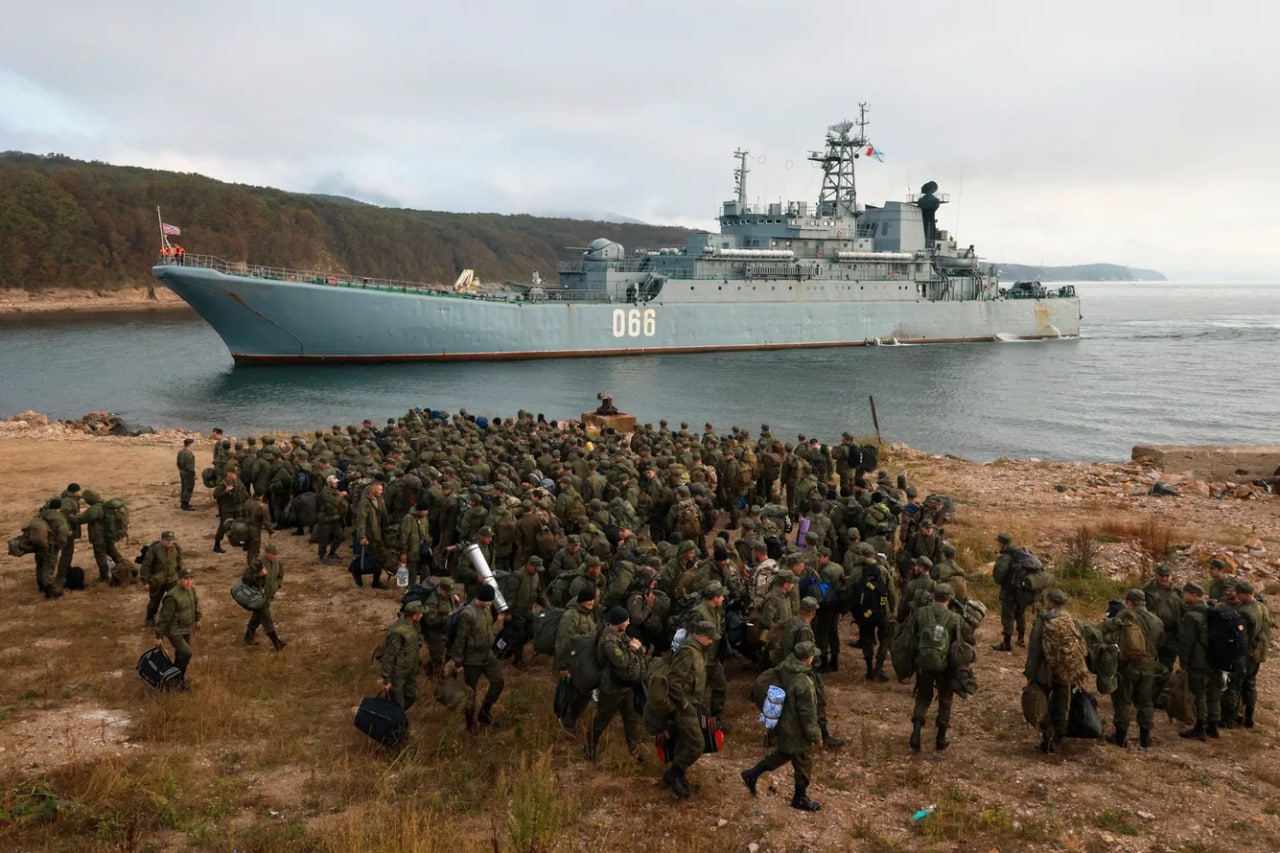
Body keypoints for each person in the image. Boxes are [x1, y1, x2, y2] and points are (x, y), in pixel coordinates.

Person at [740, 641, 823, 812]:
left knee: (784, 754)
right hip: (796, 728)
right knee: (803, 762)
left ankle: (751, 774)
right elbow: (807, 714)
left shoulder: (785, 667)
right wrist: (815, 736)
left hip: (782, 722)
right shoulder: (803, 682)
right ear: (808, 658)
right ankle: (799, 798)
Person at [902, 583, 967, 752]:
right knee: (945, 699)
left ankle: (915, 733)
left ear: (933, 595)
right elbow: (963, 642)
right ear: (950, 598)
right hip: (945, 666)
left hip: (923, 662)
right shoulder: (955, 618)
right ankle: (940, 738)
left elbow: (909, 635)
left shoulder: (921, 612)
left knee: (923, 697)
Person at [1024, 588, 1084, 754]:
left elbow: (1034, 650)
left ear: (1050, 602)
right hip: (1067, 669)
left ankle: (1047, 737)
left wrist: (1030, 674)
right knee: (1062, 703)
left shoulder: (1042, 621)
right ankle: (1058, 738)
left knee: (1041, 702)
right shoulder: (1072, 620)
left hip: (1046, 670)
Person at [1103, 587, 1162, 748]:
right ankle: (1145, 738)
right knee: (1145, 702)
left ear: (1129, 602)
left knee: (1122, 700)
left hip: (1127, 665)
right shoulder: (1156, 620)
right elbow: (1160, 642)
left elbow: (1108, 631)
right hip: (1148, 666)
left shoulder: (1125, 615)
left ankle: (1120, 736)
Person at [663, 619, 715, 798]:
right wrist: (684, 703)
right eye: (709, 638)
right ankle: (674, 773)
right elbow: (674, 681)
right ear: (699, 636)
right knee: (696, 744)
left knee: (684, 741)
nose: (712, 641)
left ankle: (676, 776)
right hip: (683, 706)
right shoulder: (688, 652)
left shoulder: (699, 651)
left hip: (693, 703)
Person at [588, 607, 646, 762]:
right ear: (618, 622)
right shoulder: (609, 641)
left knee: (631, 719)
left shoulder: (620, 635)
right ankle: (589, 749)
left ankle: (634, 752)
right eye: (626, 620)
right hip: (612, 688)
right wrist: (633, 649)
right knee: (602, 720)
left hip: (625, 685)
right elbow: (621, 662)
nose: (628, 622)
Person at [447, 585, 505, 734]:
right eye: (489, 601)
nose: (491, 604)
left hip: (487, 655)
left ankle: (485, 712)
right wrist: (458, 661)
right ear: (483, 599)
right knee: (470, 692)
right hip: (472, 659)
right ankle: (469, 722)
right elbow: (460, 639)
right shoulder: (468, 614)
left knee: (498, 682)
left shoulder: (486, 609)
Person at [1223, 579, 1270, 729]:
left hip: (1245, 654)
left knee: (1235, 685)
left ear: (1243, 594)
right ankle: (1249, 717)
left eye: (1238, 594)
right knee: (1250, 684)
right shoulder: (1262, 607)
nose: (1236, 596)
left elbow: (1242, 637)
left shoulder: (1245, 612)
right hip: (1257, 653)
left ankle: (1229, 719)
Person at [1177, 582, 1219, 741]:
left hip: (1198, 661)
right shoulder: (1211, 611)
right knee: (1211, 693)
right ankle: (1213, 726)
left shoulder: (1191, 616)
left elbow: (1186, 643)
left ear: (1193, 595)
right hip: (1212, 659)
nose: (1183, 596)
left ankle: (1200, 729)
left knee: (1199, 694)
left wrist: (1184, 665)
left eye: (1185, 593)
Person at [555, 588, 599, 731]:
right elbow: (563, 641)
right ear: (581, 601)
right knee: (571, 693)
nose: (591, 602)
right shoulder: (571, 616)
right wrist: (562, 666)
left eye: (592, 600)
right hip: (572, 662)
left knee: (583, 693)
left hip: (583, 664)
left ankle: (571, 719)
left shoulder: (588, 616)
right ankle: (566, 721)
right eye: (588, 600)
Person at [154, 568, 200, 689]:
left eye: (191, 579)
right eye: (185, 579)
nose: (189, 582)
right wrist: (159, 635)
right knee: (186, 652)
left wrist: (197, 619)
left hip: (186, 628)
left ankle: (176, 678)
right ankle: (178, 679)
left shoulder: (192, 590)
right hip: (174, 630)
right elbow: (164, 617)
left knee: (181, 654)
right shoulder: (172, 597)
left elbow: (195, 604)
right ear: (179, 580)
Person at [74, 489, 128, 584]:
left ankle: (104, 576)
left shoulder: (95, 508)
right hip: (108, 535)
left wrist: (71, 516)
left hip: (99, 537)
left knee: (100, 556)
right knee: (113, 552)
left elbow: (82, 519)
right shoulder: (104, 505)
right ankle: (126, 568)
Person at [243, 542, 287, 650]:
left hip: (269, 595)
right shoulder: (258, 563)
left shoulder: (277, 563)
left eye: (276, 554)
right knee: (267, 619)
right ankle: (277, 643)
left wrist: (277, 585)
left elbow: (280, 575)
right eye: (273, 554)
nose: (275, 556)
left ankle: (248, 637)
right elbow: (246, 577)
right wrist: (259, 575)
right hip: (258, 596)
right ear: (267, 553)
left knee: (257, 617)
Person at [382, 601, 424, 710]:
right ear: (414, 616)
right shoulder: (398, 632)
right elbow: (388, 656)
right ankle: (398, 724)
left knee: (411, 696)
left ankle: (398, 717)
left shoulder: (414, 624)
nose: (422, 615)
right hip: (398, 673)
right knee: (398, 703)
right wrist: (386, 679)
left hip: (410, 670)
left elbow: (417, 638)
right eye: (420, 613)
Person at [507, 555, 546, 668]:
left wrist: (546, 606)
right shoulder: (517, 576)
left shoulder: (536, 576)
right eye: (535, 568)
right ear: (529, 565)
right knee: (519, 635)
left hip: (528, 611)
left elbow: (539, 594)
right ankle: (518, 660)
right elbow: (510, 596)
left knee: (532, 631)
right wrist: (508, 612)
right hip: (517, 611)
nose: (537, 571)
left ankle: (514, 646)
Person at [140, 530, 184, 627]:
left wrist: (182, 578)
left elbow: (180, 564)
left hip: (172, 579)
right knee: (154, 602)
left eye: (171, 540)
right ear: (162, 540)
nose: (169, 542)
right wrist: (145, 582)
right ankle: (150, 619)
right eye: (167, 540)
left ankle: (172, 620)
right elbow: (146, 566)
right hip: (157, 581)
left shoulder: (176, 548)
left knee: (174, 600)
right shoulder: (154, 550)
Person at [990, 532, 1025, 651]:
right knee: (1020, 614)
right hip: (1021, 591)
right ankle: (1021, 639)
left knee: (1007, 616)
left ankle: (1006, 643)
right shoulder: (1019, 554)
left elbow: (999, 577)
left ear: (1001, 543)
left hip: (1009, 591)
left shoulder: (1005, 557)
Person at [421, 578, 459, 676]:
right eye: (447, 592)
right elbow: (431, 621)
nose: (449, 594)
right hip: (436, 635)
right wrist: (447, 618)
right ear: (441, 589)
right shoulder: (432, 601)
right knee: (437, 658)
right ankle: (432, 676)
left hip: (448, 632)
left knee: (450, 654)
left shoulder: (450, 597)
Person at [355, 481, 388, 588]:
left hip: (379, 534)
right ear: (373, 490)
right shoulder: (365, 503)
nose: (381, 492)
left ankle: (376, 581)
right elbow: (361, 521)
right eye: (379, 490)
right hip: (370, 535)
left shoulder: (380, 500)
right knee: (368, 559)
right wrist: (362, 536)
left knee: (380, 559)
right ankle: (357, 572)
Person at [212, 469, 248, 554]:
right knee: (223, 526)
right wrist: (225, 491)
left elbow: (245, 494)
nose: (236, 475)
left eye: (236, 473)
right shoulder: (223, 483)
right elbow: (215, 495)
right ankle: (217, 545)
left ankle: (240, 542)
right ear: (229, 474)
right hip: (227, 509)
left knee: (241, 526)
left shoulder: (239, 482)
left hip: (238, 508)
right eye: (234, 473)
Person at [315, 475, 348, 564]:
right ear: (329, 483)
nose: (337, 484)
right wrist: (340, 496)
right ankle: (321, 557)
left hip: (334, 518)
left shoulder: (335, 491)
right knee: (323, 539)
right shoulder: (324, 493)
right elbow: (333, 503)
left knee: (340, 536)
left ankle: (332, 553)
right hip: (325, 518)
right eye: (335, 482)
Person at [242, 492, 272, 565]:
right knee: (255, 548)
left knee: (249, 546)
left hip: (245, 527)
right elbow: (266, 520)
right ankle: (252, 565)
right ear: (261, 496)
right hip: (255, 529)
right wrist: (270, 530)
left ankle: (250, 561)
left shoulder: (247, 502)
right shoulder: (262, 506)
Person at [177, 437, 196, 511]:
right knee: (188, 488)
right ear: (189, 444)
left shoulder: (180, 452)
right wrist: (193, 474)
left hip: (182, 471)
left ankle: (183, 502)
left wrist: (181, 469)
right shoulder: (189, 454)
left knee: (184, 487)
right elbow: (190, 466)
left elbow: (178, 462)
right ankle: (185, 504)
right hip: (188, 472)